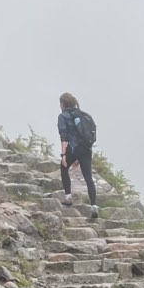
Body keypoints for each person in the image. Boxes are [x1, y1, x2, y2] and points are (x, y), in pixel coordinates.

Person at [57, 91, 99, 220]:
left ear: (63, 103)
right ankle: (94, 206)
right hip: (86, 149)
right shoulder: (85, 115)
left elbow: (64, 136)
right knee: (88, 177)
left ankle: (68, 197)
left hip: (73, 148)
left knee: (64, 168)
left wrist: (64, 154)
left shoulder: (63, 116)